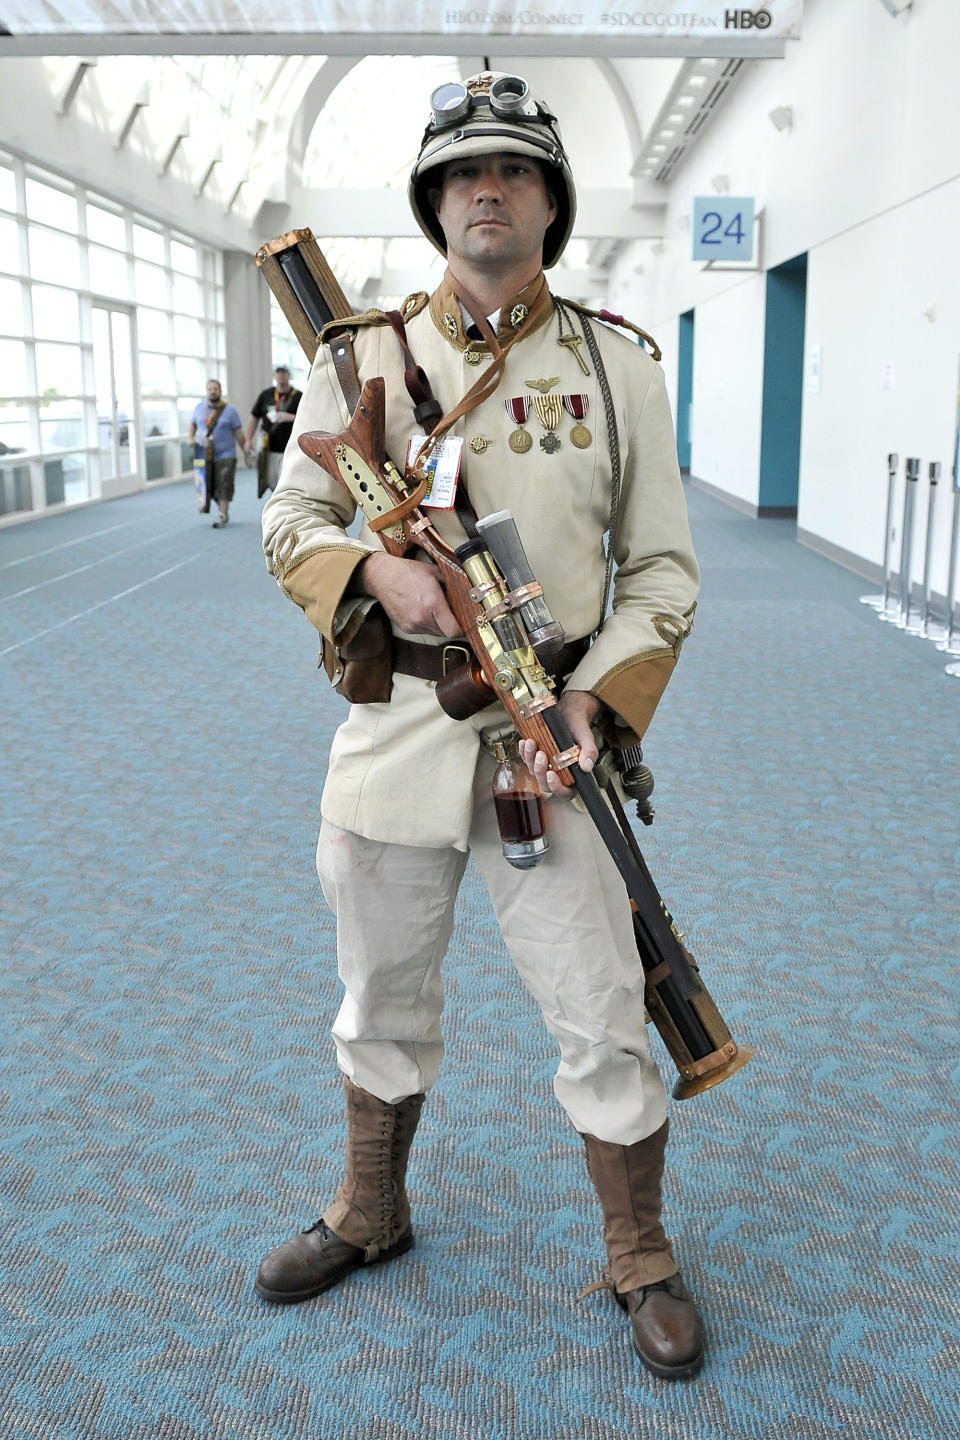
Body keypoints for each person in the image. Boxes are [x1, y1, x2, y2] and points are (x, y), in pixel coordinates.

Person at [257, 72, 703, 1380]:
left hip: (541, 736)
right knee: (379, 992)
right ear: (433, 205)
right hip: (396, 728)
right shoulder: (364, 359)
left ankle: (638, 1254)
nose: (485, 190)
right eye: (461, 175)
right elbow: (292, 524)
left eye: (511, 172)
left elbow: (665, 576)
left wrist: (587, 699)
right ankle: (370, 1210)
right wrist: (372, 576)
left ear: (551, 205)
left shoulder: (615, 371)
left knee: (602, 1004)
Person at [187, 378, 247, 528]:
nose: (213, 391)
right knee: (209, 486)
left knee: (224, 483)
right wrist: (190, 437)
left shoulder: (230, 410)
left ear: (220, 391)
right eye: (210, 388)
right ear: (206, 391)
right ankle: (221, 509)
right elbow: (193, 424)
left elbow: (238, 432)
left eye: (216, 388)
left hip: (226, 453)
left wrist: (245, 449)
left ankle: (222, 514)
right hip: (204, 454)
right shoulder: (199, 408)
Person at [243, 364, 302, 499]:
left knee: (285, 481)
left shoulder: (298, 396)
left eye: (284, 372)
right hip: (267, 447)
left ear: (289, 375)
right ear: (274, 375)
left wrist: (290, 417)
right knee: (269, 480)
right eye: (278, 372)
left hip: (289, 448)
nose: (281, 375)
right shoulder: (266, 395)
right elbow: (254, 417)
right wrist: (247, 440)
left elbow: (308, 417)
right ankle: (278, 504)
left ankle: (283, 506)